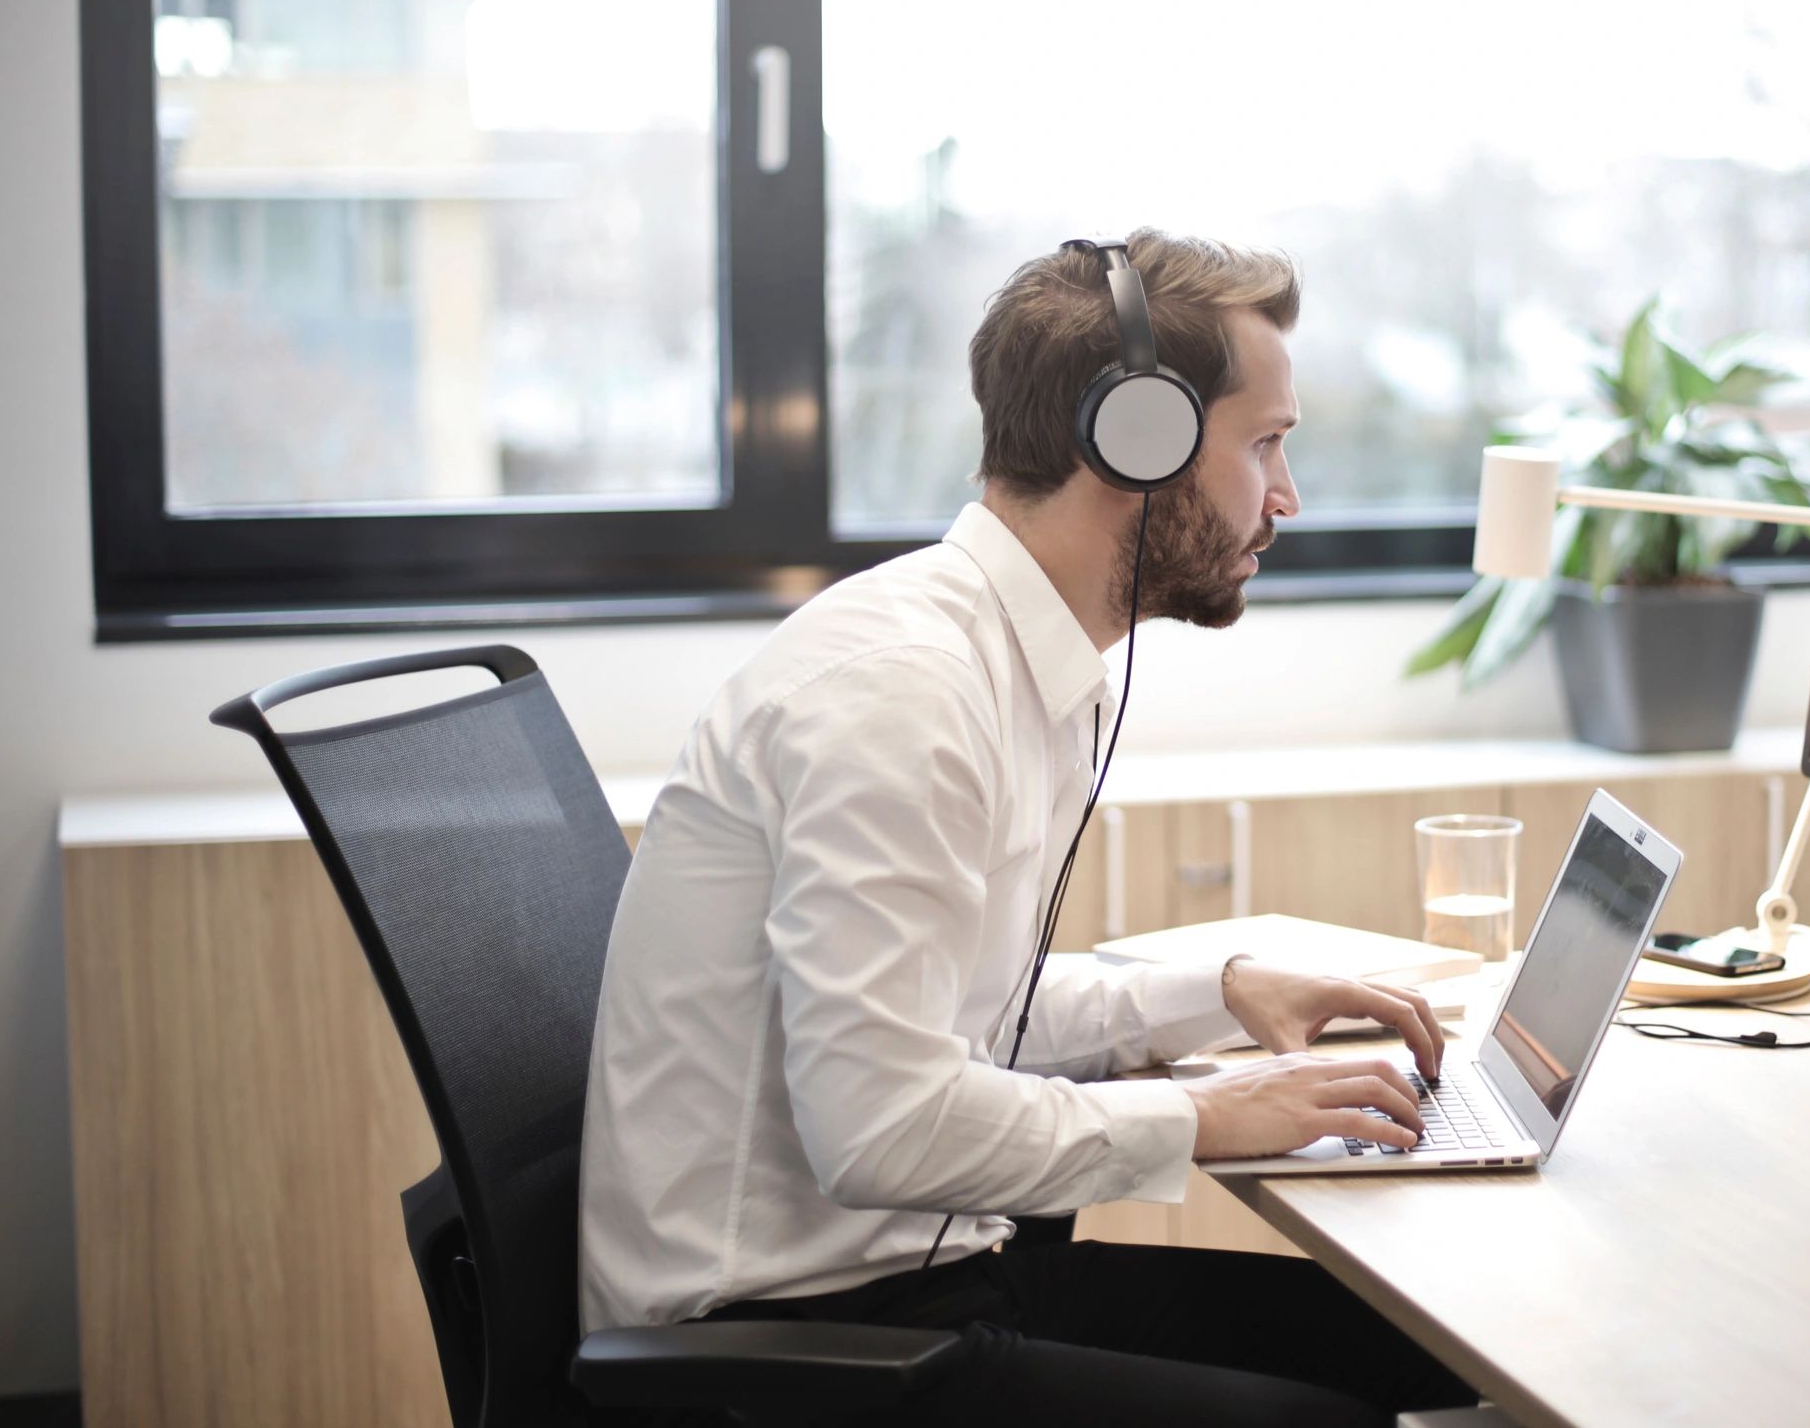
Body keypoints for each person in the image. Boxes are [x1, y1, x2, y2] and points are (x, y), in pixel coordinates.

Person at [579, 232, 1482, 1424]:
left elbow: (959, 1016)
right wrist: (1207, 1113)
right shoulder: (905, 697)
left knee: (1421, 1357)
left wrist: (1223, 988)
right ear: (1136, 441)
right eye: (1263, 443)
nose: (1286, 496)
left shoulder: (1013, 666)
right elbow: (884, 1124)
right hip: (790, 1347)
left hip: (915, 1277)